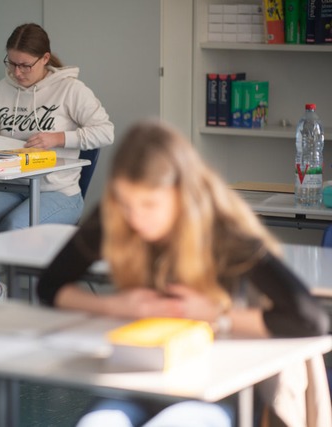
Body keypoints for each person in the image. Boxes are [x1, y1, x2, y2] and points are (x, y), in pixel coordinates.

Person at [37, 120, 330, 427]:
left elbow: (310, 319)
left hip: (215, 382)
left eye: (150, 204)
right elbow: (50, 286)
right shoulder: (118, 215)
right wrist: (117, 306)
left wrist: (218, 315)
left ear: (180, 194)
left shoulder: (222, 228)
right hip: (142, 375)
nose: (136, 218)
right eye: (126, 204)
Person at [0, 23, 114, 299]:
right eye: (11, 63)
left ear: (44, 59)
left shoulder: (71, 90)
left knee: (14, 227)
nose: (17, 73)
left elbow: (106, 131)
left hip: (58, 191)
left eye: (25, 65)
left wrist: (58, 139)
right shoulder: (3, 87)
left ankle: (30, 307)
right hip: (14, 185)